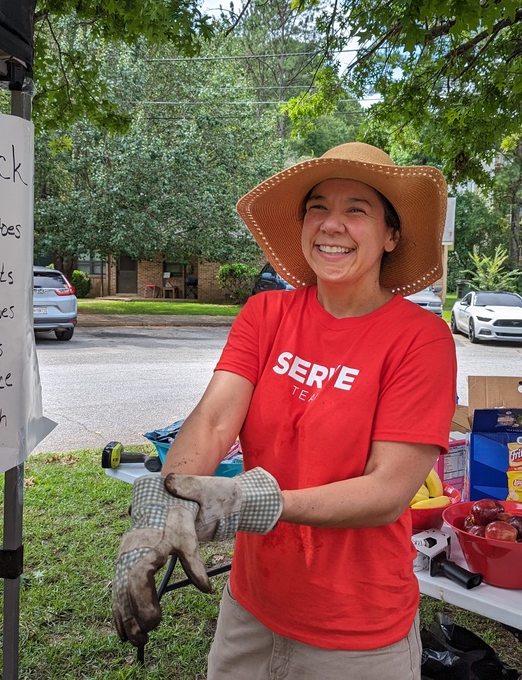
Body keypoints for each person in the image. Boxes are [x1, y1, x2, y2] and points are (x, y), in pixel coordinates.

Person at [112, 142, 457, 680]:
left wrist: (247, 499)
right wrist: (163, 508)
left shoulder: (421, 339)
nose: (331, 224)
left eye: (356, 211)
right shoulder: (266, 313)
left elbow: (387, 491)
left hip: (359, 633)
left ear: (391, 235)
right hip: (250, 613)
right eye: (317, 207)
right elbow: (213, 420)